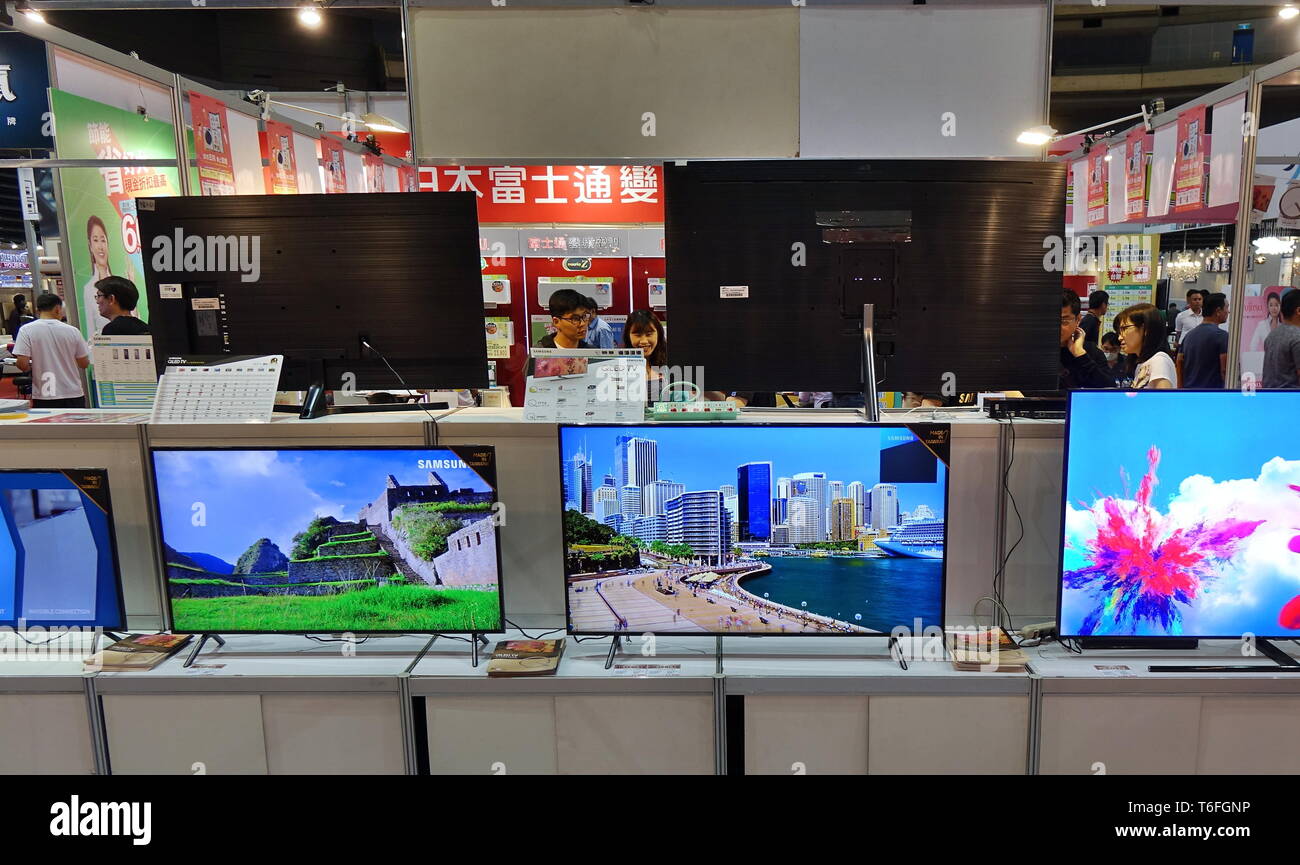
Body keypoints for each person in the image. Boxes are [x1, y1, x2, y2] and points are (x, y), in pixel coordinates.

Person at [13, 293, 90, 408]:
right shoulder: (73, 331)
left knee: (47, 425)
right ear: (58, 309)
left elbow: (22, 364)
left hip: (45, 393)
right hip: (73, 392)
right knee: (75, 425)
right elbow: (84, 363)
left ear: (37, 310)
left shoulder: (26, 330)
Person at [526, 288, 592, 377]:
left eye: (585, 316)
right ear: (556, 322)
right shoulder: (539, 353)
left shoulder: (591, 352)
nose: (583, 323)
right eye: (575, 319)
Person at [1059, 289, 1114, 389]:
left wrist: (1080, 354)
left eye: (1064, 320)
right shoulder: (1035, 353)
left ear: (1078, 319)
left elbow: (1110, 388)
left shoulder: (1091, 352)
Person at [1115, 302, 1175, 389]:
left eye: (1125, 328)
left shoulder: (1159, 361)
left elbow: (1163, 401)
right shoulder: (1143, 363)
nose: (1120, 337)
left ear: (1145, 328)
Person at [1176, 292, 1229, 388]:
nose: (1228, 311)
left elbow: (1179, 363)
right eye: (1226, 307)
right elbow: (1224, 370)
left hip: (1189, 392)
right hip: (1212, 395)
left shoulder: (1188, 336)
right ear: (1218, 311)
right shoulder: (1222, 336)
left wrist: (1180, 390)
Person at [624, 308, 667, 401]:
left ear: (658, 333)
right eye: (637, 335)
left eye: (649, 334)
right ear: (628, 336)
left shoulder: (670, 361)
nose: (644, 341)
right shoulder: (620, 365)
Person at [82, 215, 115, 334]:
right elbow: (91, 333)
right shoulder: (88, 289)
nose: (100, 246)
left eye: (103, 240)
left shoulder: (121, 282)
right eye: (95, 240)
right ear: (90, 245)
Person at [1262, 288, 1300, 388]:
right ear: (1298, 311)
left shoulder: (1271, 336)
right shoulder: (1297, 337)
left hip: (1270, 398)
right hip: (1292, 399)